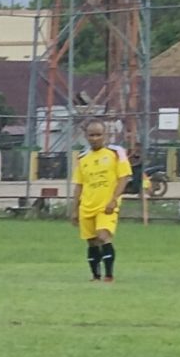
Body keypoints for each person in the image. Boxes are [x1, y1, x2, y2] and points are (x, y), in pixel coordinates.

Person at [73, 119, 132, 282]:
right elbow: (79, 185)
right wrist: (74, 209)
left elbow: (123, 178)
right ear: (86, 136)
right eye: (91, 135)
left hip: (106, 206)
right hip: (87, 206)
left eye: (98, 135)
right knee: (91, 241)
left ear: (105, 135)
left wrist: (114, 200)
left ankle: (109, 275)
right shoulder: (83, 157)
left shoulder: (115, 153)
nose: (95, 138)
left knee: (103, 235)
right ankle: (95, 276)